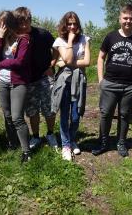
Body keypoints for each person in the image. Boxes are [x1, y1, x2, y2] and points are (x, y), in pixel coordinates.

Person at [92, 4, 132, 157]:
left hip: (131, 86)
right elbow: (100, 57)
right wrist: (101, 79)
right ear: (119, 19)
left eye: (131, 19)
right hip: (110, 83)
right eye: (125, 18)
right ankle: (103, 142)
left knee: (125, 115)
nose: (128, 21)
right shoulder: (111, 36)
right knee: (106, 114)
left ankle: (121, 142)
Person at [13, 7, 58, 150]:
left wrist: (52, 64)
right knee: (32, 111)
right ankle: (36, 136)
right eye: (21, 23)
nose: (24, 26)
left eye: (27, 22)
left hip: (45, 77)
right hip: (27, 80)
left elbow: (56, 48)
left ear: (30, 20)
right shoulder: (14, 37)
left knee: (49, 108)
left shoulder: (43, 34)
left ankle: (51, 134)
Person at [0, 10, 32, 163]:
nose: (3, 26)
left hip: (18, 82)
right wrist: (0, 38)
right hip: (2, 82)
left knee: (17, 118)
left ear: (11, 24)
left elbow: (19, 62)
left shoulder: (23, 40)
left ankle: (26, 151)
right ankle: (12, 143)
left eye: (5, 23)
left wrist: (2, 64)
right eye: (0, 23)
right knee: (7, 116)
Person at [51, 11, 90, 161]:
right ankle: (65, 145)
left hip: (79, 80)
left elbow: (87, 62)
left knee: (76, 114)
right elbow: (67, 59)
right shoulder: (59, 41)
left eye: (74, 23)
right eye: (69, 24)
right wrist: (70, 41)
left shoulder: (85, 40)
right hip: (64, 81)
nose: (72, 26)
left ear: (78, 24)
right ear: (64, 25)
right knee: (64, 114)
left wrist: (67, 62)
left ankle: (72, 139)